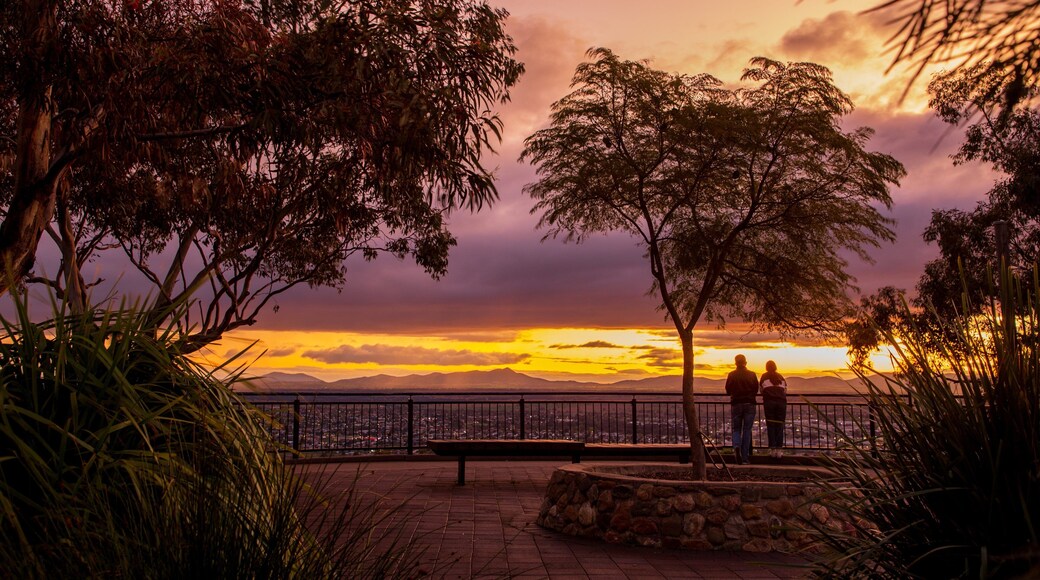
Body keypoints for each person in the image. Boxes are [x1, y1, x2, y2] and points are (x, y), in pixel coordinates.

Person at [725, 354, 758, 465]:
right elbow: (755, 390)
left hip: (736, 404)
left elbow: (728, 391)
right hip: (750, 403)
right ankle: (744, 457)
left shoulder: (732, 375)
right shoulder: (752, 375)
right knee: (747, 430)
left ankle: (736, 446)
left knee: (736, 429)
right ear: (746, 363)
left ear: (735, 363)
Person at [759, 360, 788, 458]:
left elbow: (761, 390)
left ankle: (772, 450)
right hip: (781, 403)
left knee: (771, 425)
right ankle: (779, 451)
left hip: (769, 403)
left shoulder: (764, 377)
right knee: (779, 425)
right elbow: (785, 390)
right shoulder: (780, 377)